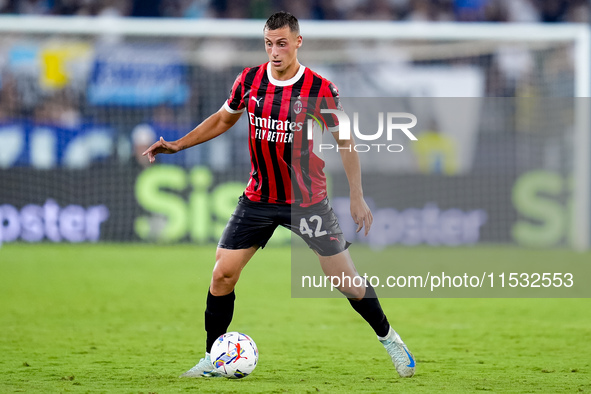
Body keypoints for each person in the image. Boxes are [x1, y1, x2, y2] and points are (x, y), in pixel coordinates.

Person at [142, 11, 415, 379]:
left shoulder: (320, 88)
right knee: (222, 274)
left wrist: (356, 195)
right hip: (258, 198)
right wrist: (178, 145)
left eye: (282, 43)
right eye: (269, 43)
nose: (274, 51)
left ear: (298, 42)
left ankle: (390, 339)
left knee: (345, 281)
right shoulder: (250, 80)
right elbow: (224, 118)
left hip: (307, 201)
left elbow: (345, 141)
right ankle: (213, 356)